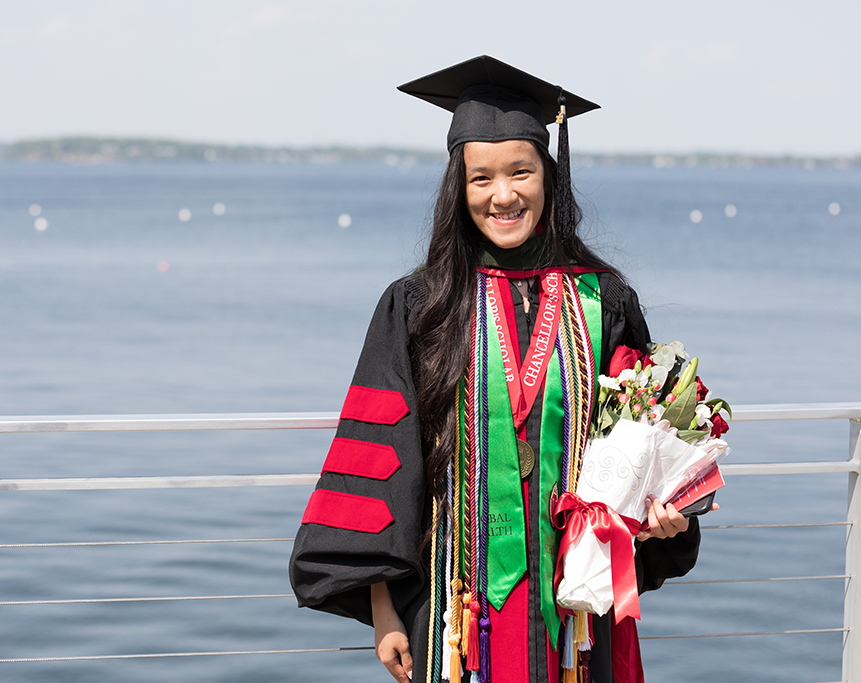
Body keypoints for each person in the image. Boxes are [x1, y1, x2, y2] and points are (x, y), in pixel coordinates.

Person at [290, 56, 703, 683]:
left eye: (520, 172)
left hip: (579, 612)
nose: (502, 195)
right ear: (458, 186)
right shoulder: (420, 307)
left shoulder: (604, 302)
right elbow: (381, 460)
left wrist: (662, 515)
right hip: (459, 620)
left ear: (548, 177)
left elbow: (640, 442)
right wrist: (383, 611)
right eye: (480, 177)